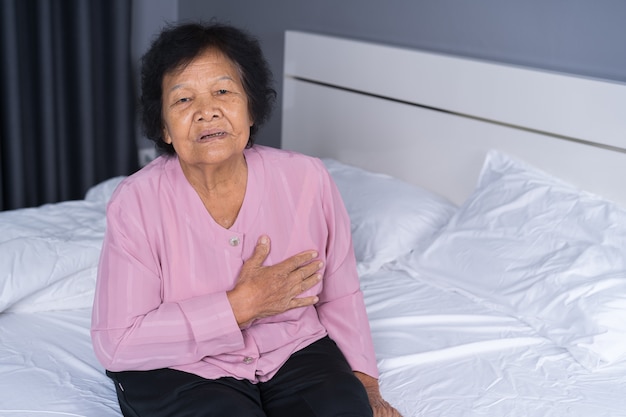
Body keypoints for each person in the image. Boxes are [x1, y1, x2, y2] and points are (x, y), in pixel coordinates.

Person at [91, 21, 401, 417]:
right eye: (183, 100)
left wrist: (366, 386)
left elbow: (340, 293)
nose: (207, 112)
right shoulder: (135, 202)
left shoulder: (307, 178)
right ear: (164, 128)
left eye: (223, 91)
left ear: (251, 107)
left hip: (292, 349)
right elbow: (117, 342)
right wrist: (241, 306)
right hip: (177, 367)